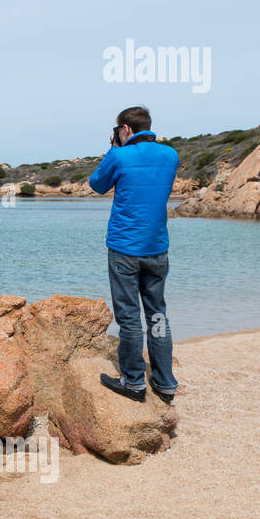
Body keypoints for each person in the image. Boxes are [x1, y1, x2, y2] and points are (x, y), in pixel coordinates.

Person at [88, 106, 179, 403]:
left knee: (128, 318)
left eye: (118, 131)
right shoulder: (171, 155)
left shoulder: (119, 155)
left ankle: (133, 382)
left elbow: (97, 185)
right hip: (157, 247)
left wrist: (113, 148)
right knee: (157, 314)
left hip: (125, 249)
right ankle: (165, 383)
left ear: (125, 129)